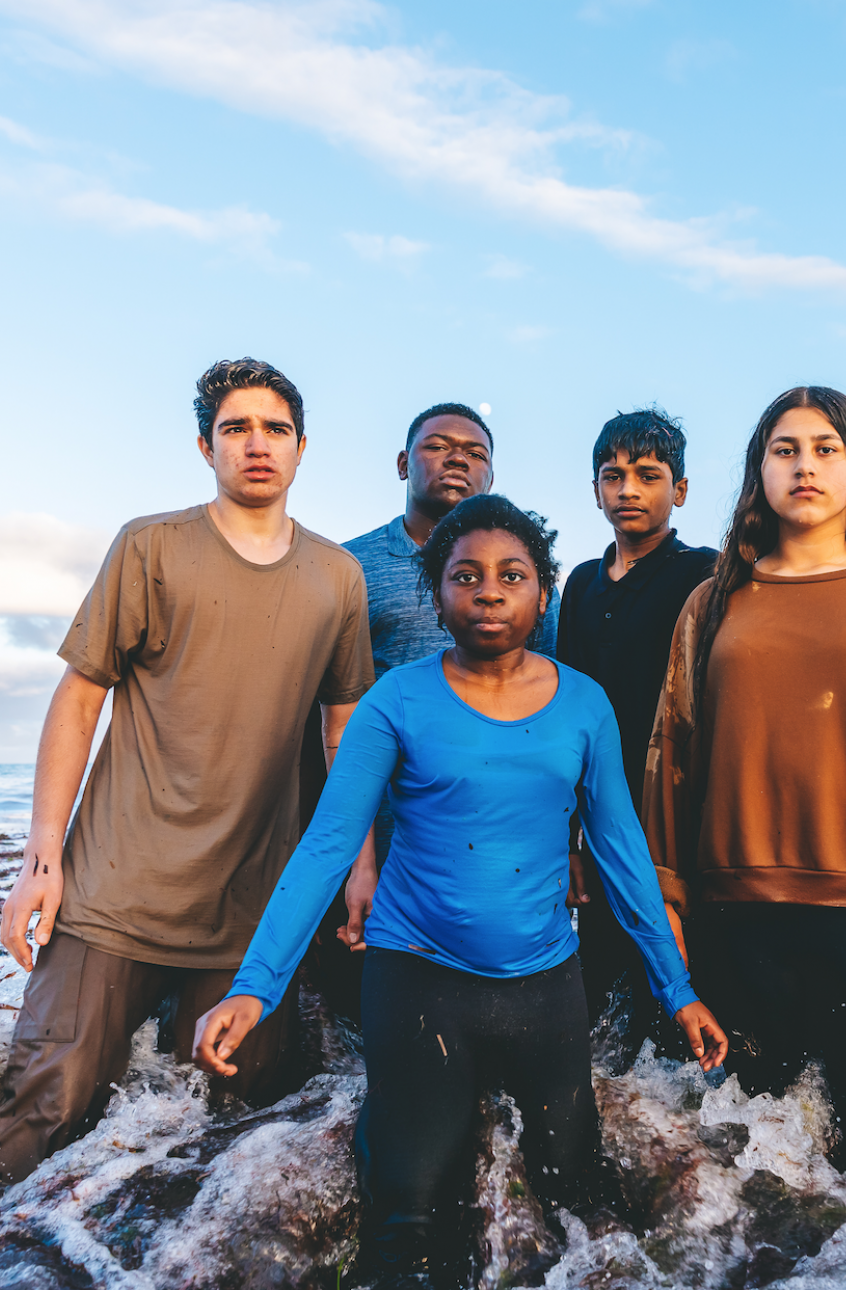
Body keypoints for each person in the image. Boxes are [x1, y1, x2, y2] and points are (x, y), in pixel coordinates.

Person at [193, 494, 726, 1279]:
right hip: (418, 977)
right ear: (437, 595)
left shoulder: (584, 704)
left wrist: (677, 989)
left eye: (511, 575)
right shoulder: (396, 701)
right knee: (407, 1211)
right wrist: (254, 988)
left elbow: (621, 854)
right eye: (465, 576)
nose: (488, 591)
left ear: (541, 593)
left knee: (576, 1192)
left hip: (544, 984)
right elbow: (328, 847)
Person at [0, 358, 374, 1186]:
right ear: (205, 445)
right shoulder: (151, 546)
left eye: (275, 428)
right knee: (46, 1107)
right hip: (113, 891)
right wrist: (41, 861)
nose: (256, 445)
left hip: (248, 906)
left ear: (303, 448)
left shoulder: (336, 579)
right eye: (236, 428)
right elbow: (80, 696)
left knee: (221, 1129)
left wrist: (362, 864)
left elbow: (345, 729)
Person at [643, 385, 846, 1181]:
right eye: (785, 450)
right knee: (758, 1166)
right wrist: (667, 901)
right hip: (739, 919)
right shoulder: (712, 602)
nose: (806, 466)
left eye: (826, 449)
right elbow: (672, 757)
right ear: (760, 474)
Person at [307, 403, 560, 1018]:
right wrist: (353, 858)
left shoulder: (526, 581)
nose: (457, 460)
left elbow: (545, 707)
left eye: (475, 453)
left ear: (491, 477)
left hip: (494, 840)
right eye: (438, 446)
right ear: (402, 463)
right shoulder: (349, 567)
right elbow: (329, 710)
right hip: (384, 832)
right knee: (372, 1022)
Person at [557, 408, 716, 1048]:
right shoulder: (579, 585)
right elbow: (562, 711)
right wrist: (567, 839)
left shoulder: (705, 574)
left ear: (678, 490)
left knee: (684, 969)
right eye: (612, 475)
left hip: (681, 810)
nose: (628, 489)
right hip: (600, 811)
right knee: (601, 989)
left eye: (648, 475)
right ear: (594, 490)